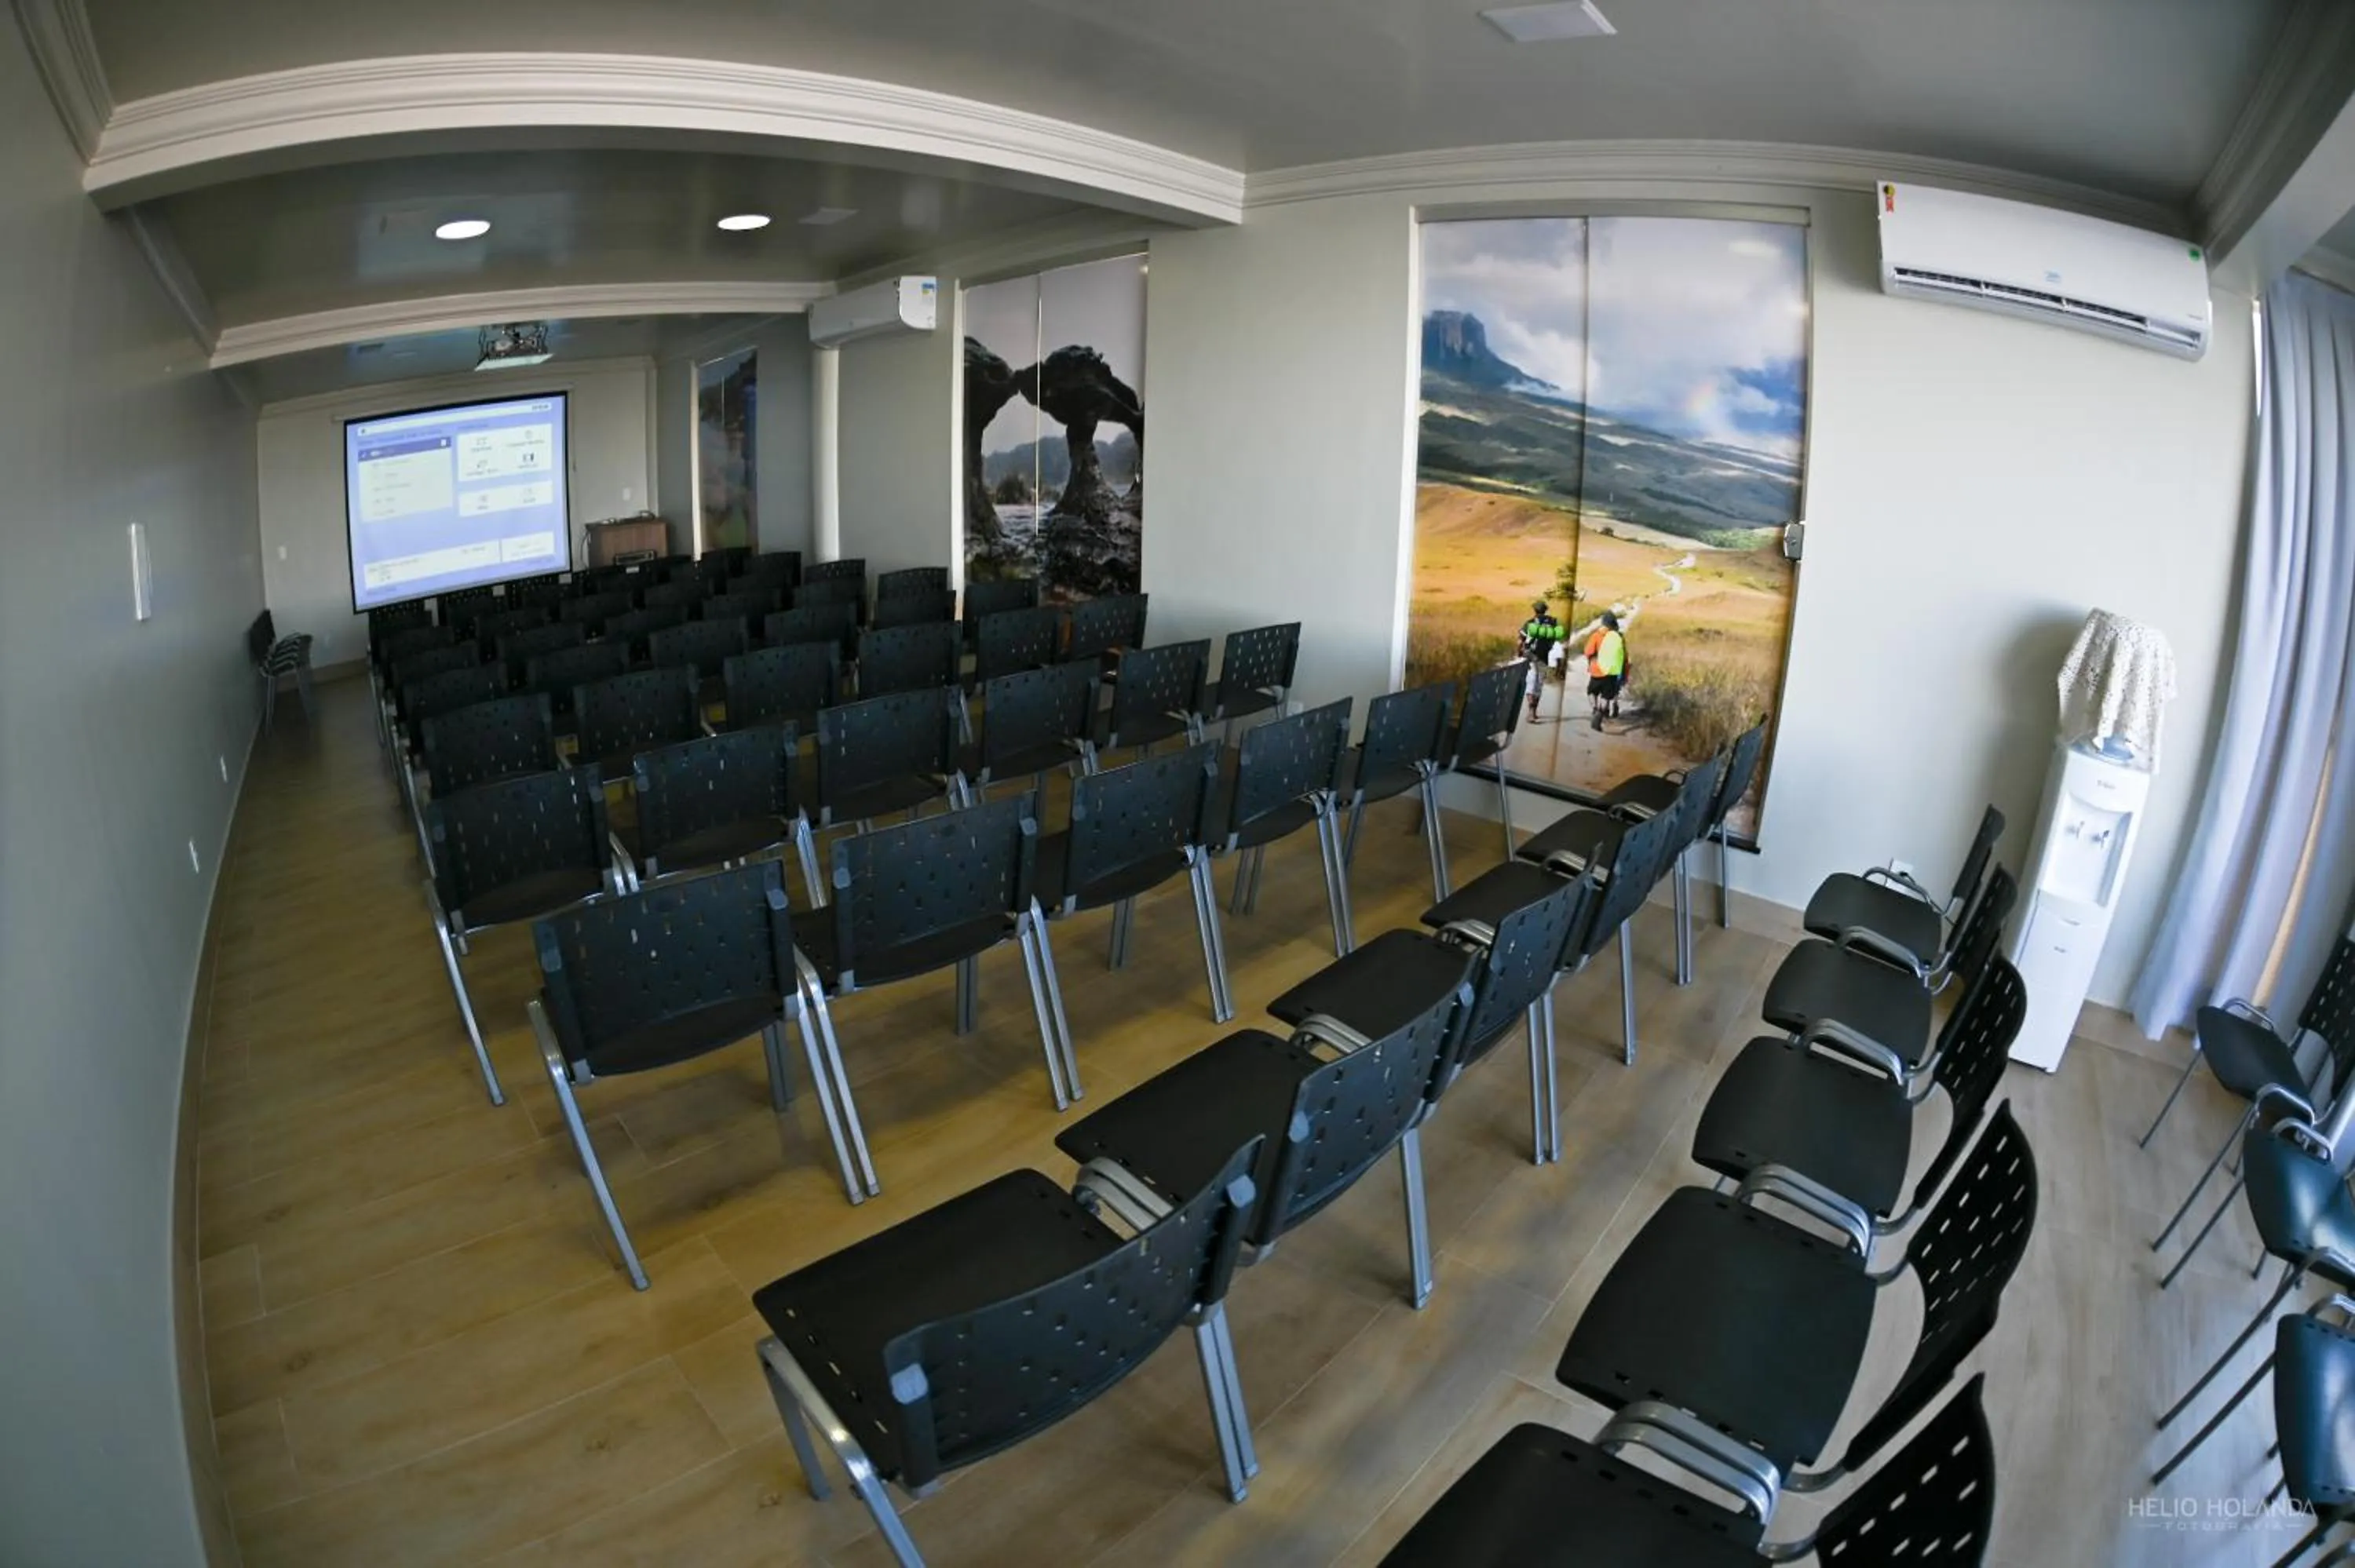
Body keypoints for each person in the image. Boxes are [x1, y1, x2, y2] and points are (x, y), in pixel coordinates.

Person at [1517, 599, 1565, 720]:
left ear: (1535, 610)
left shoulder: (1530, 623)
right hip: (1545, 657)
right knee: (1539, 685)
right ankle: (1534, 712)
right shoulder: (1553, 622)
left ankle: (1531, 711)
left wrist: (1520, 652)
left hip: (1532, 656)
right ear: (1545, 610)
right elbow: (1557, 641)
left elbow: (1520, 640)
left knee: (1530, 683)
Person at [1583, 610, 1627, 731]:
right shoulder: (1619, 637)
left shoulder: (1597, 635)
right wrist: (1623, 672)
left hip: (1597, 669)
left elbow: (1588, 652)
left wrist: (1592, 660)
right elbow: (1624, 656)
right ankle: (1600, 713)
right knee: (1606, 696)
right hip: (1612, 671)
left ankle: (1595, 709)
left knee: (1591, 692)